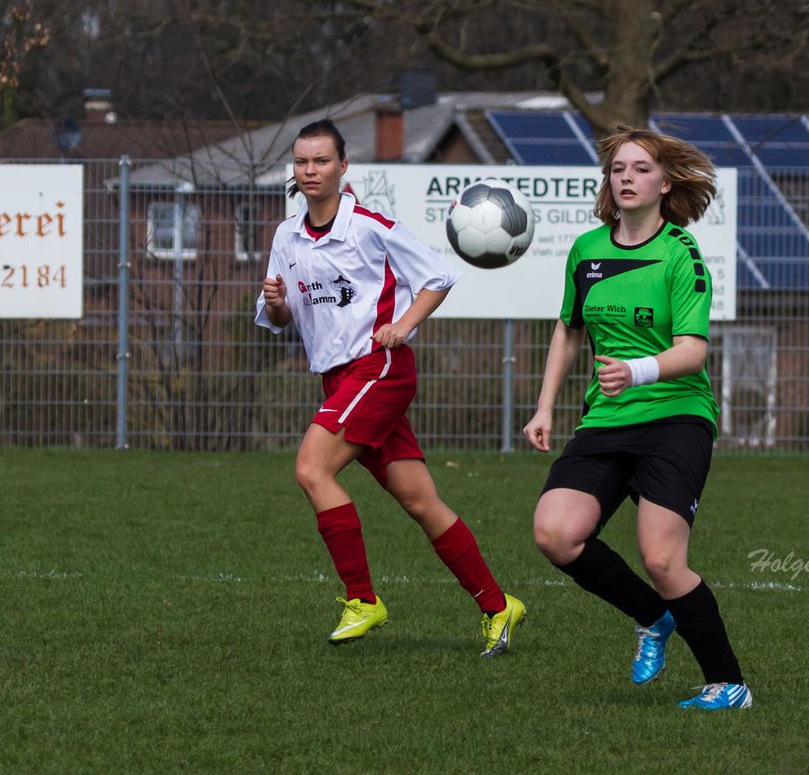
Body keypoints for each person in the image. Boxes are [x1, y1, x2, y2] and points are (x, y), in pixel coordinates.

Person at [255, 118, 525, 656]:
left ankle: (362, 599)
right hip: (339, 379)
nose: (310, 170)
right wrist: (278, 301)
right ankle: (499, 606)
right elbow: (279, 318)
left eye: (321, 161)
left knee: (312, 468)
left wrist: (403, 326)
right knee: (420, 500)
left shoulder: (368, 224)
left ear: (343, 167)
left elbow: (438, 276)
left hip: (378, 368)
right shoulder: (286, 235)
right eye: (302, 162)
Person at [522, 124, 751, 710]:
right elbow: (569, 330)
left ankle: (728, 684)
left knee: (662, 558)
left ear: (665, 183)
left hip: (676, 416)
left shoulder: (680, 252)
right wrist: (545, 406)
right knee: (555, 533)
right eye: (619, 169)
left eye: (641, 169)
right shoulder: (586, 251)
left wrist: (638, 370)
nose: (627, 177)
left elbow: (693, 349)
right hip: (606, 420)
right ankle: (653, 617)